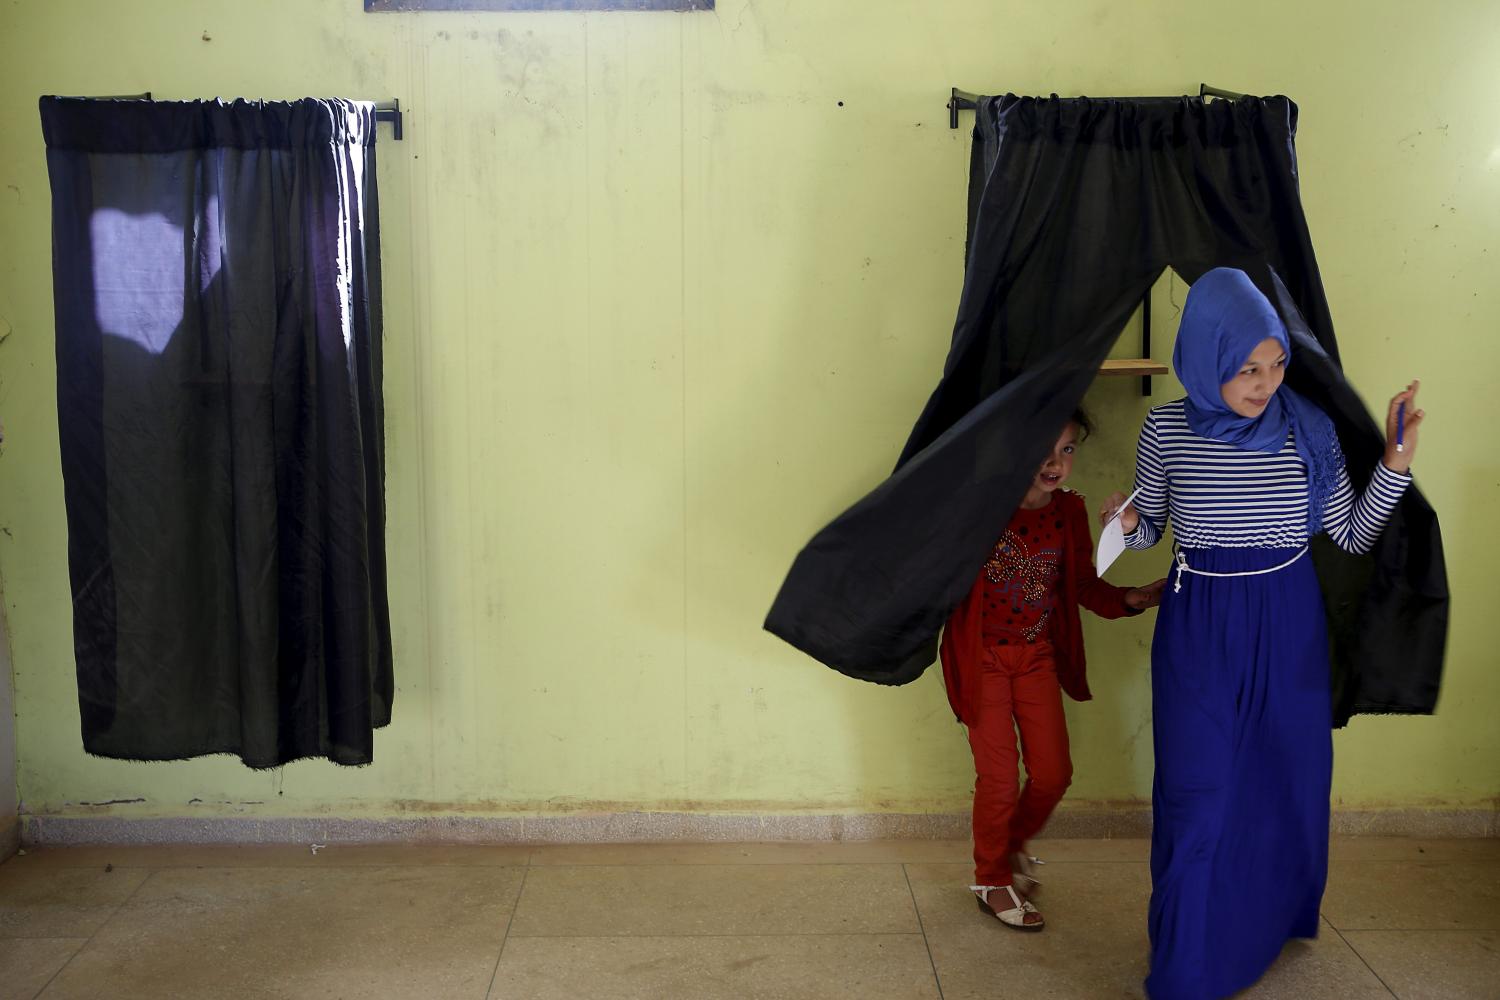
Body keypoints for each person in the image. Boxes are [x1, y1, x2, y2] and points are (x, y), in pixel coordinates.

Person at [1102, 268, 1422, 998]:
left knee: (1283, 779)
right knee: (1197, 790)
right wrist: (1123, 526)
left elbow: (1348, 530)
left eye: (1275, 363)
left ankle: (1268, 919)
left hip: (1287, 623)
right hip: (1200, 623)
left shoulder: (1306, 427)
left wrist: (1395, 462)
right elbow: (1152, 523)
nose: (1264, 382)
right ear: (1208, 356)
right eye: (1247, 367)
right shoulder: (1167, 428)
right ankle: (1186, 966)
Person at [941, 409, 1166, 930]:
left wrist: (1132, 598)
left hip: (1036, 657)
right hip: (983, 660)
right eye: (1042, 448)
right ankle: (991, 878)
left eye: (1067, 449)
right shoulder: (978, 508)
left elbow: (1082, 587)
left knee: (1053, 773)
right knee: (998, 778)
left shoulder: (1069, 512)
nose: (1054, 462)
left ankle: (1011, 844)